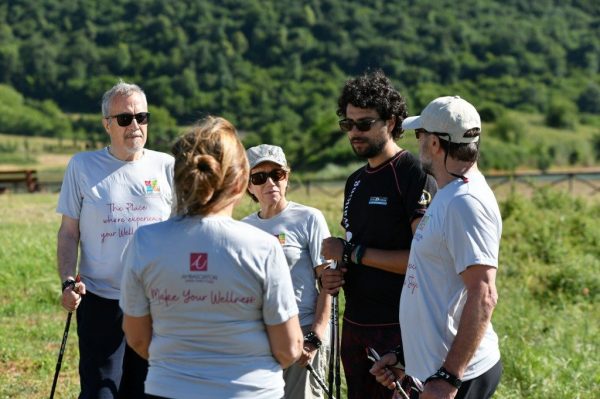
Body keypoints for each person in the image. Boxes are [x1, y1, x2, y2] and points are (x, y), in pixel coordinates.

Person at [120, 116, 304, 399]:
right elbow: (289, 348)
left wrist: (181, 367)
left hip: (168, 390)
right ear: (240, 181)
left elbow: (137, 338)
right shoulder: (263, 247)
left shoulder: (146, 242)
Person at [370, 96, 503, 399]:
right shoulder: (450, 194)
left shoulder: (464, 202)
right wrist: (408, 359)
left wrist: (448, 378)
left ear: (434, 144)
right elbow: (439, 286)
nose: (416, 144)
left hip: (458, 376)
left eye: (420, 135)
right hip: (433, 371)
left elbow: (484, 294)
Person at [320, 70, 437, 399]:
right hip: (355, 324)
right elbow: (352, 252)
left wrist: (352, 253)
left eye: (364, 123)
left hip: (398, 331)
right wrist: (334, 275)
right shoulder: (355, 180)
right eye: (348, 124)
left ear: (391, 121)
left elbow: (423, 259)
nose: (354, 132)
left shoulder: (412, 172)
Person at [57, 80, 174, 398]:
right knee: (101, 394)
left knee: (149, 392)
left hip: (157, 305)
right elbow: (69, 232)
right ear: (107, 124)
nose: (135, 125)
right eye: (125, 118)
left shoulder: (167, 167)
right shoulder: (82, 166)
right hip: (101, 302)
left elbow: (184, 231)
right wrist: (68, 281)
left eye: (142, 117)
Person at [242, 144, 332, 399]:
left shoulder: (308, 218)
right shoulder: (242, 228)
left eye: (277, 174)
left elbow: (328, 283)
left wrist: (315, 337)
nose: (270, 182)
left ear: (287, 177)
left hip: (301, 331)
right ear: (248, 186)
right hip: (258, 337)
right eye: (259, 177)